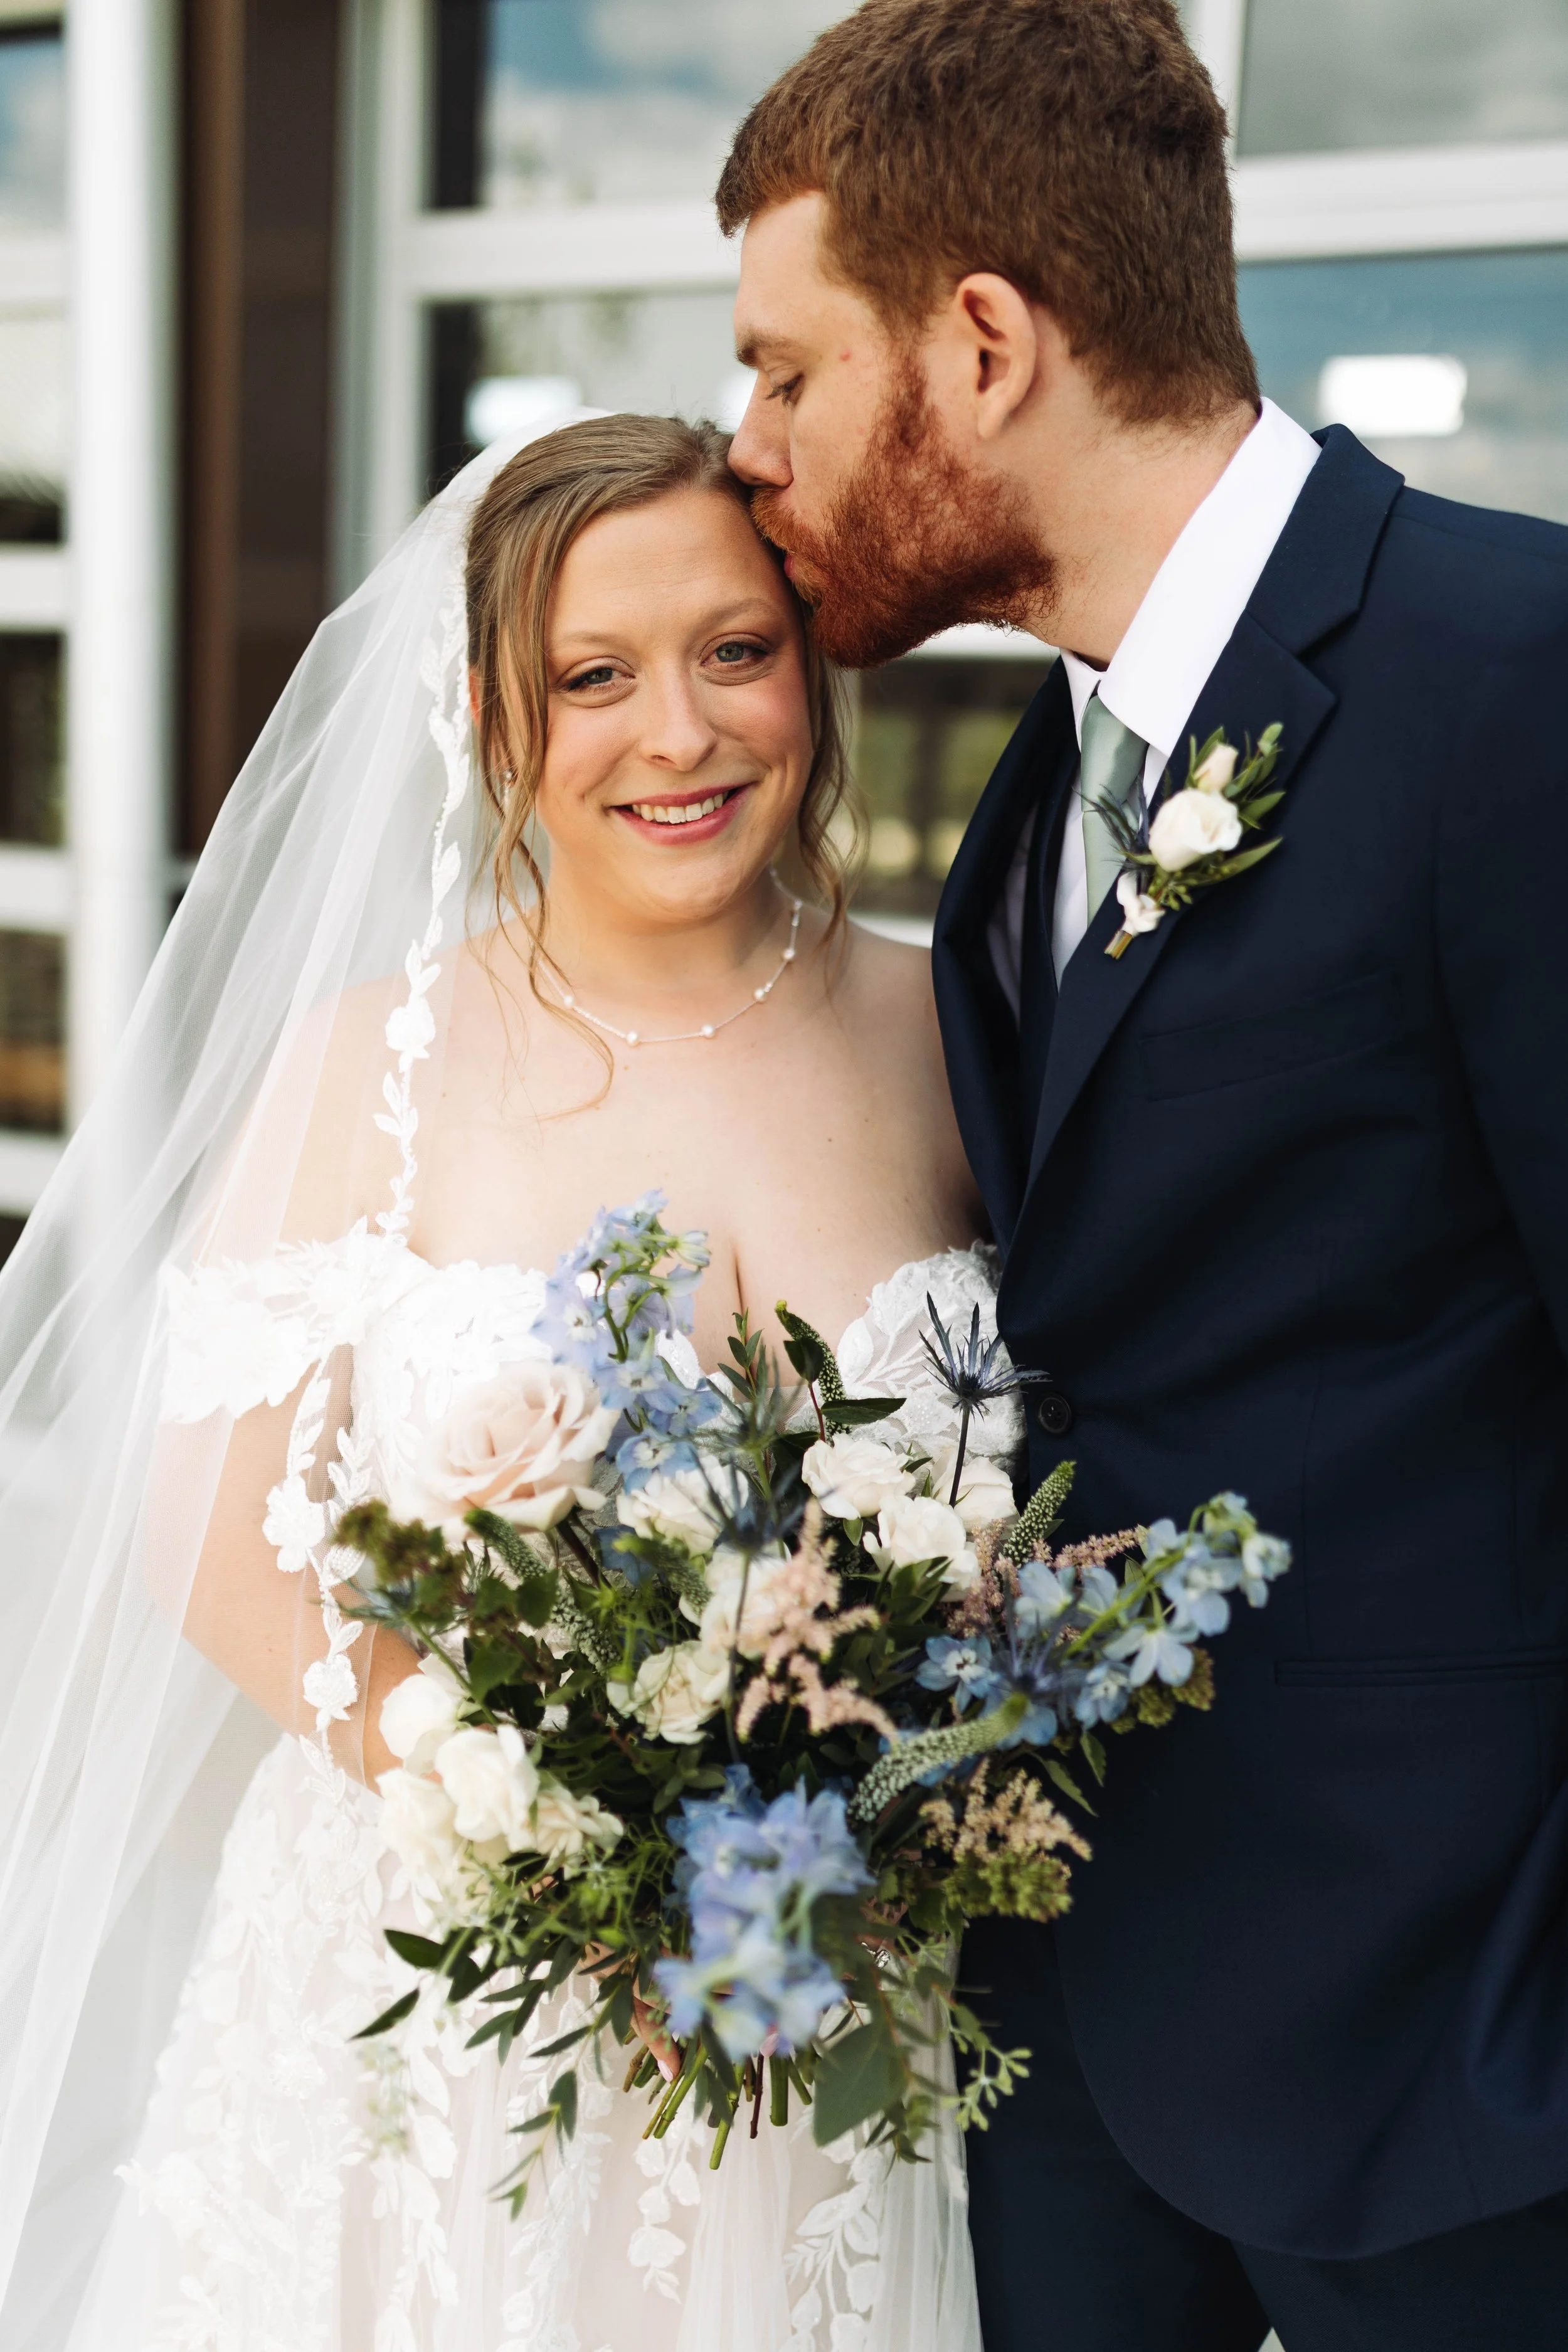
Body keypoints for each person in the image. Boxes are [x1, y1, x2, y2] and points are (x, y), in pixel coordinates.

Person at [718, 1, 1568, 2347]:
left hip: (1464, 2095)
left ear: (979, 339)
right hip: (1067, 2065)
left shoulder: (1516, 677)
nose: (749, 445)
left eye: (788, 372)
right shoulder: (1033, 781)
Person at [0, 415, 1000, 2348]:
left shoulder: (948, 1028)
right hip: (453, 2010)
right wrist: (575, 1842)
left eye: (734, 649)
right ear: (491, 714)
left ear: (812, 659)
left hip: (844, 2013)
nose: (681, 734)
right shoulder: (369, 1060)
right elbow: (212, 1535)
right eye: (592, 677)